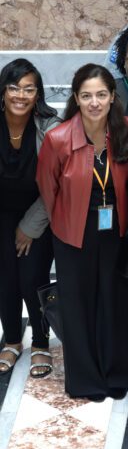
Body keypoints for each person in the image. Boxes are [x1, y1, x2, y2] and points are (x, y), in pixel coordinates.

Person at [37, 64, 128, 401]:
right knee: (79, 306)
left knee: (116, 300)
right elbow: (48, 189)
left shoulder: (126, 129)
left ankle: (116, 374)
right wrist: (65, 222)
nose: (94, 102)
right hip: (73, 233)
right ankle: (86, 380)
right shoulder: (58, 138)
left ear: (112, 97)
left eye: (101, 95)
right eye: (86, 96)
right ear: (76, 99)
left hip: (116, 230)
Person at [0, 59, 60, 379]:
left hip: (38, 212)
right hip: (2, 212)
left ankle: (40, 341)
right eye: (14, 87)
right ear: (3, 91)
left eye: (28, 89)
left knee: (31, 277)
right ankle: (11, 340)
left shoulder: (49, 126)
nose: (20, 95)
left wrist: (29, 226)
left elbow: (56, 183)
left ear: (38, 94)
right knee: (5, 277)